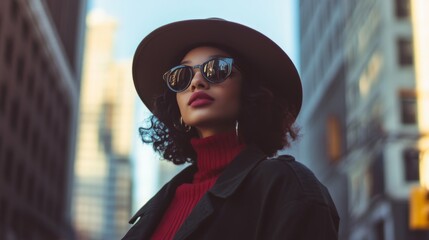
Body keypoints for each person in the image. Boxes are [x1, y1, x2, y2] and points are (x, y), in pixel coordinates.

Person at [122, 18, 339, 240]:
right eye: (182, 76)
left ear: (249, 90)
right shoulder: (157, 209)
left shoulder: (287, 186)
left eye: (216, 69)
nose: (196, 82)